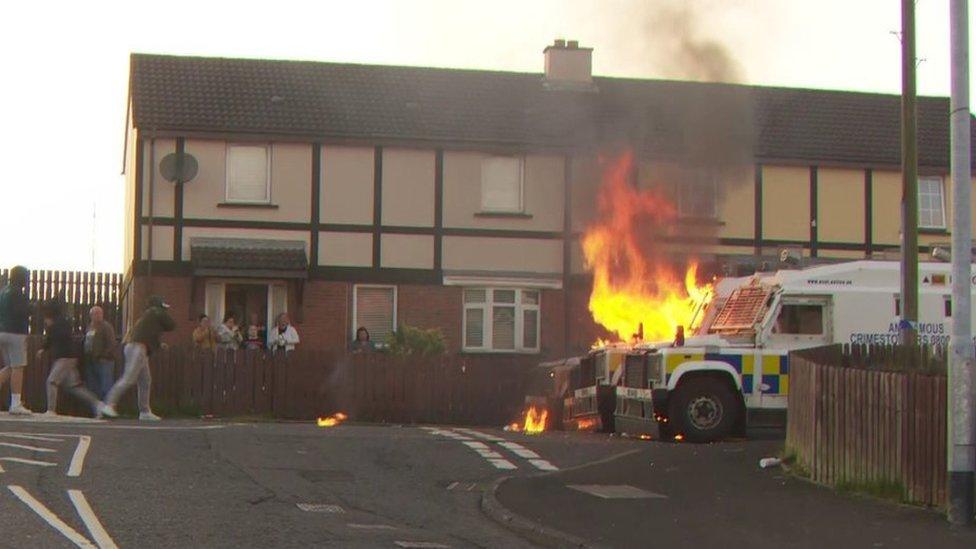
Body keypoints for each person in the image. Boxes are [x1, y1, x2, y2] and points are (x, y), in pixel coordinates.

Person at [102, 295, 174, 421]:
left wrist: (158, 345)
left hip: (135, 347)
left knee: (145, 380)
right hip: (138, 348)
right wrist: (163, 311)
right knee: (129, 378)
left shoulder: (147, 318)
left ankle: (144, 411)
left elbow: (149, 335)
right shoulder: (155, 312)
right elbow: (171, 325)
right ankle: (109, 403)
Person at [40, 300, 115, 418]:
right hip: (69, 357)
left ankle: (51, 410)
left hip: (64, 357)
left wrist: (50, 328)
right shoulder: (62, 321)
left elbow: (57, 336)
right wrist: (44, 347)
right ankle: (99, 404)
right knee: (73, 387)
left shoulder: (58, 323)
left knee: (52, 381)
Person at [0, 265, 33, 415]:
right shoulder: (18, 294)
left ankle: (15, 402)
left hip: (2, 330)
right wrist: (32, 307)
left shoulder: (4, 292)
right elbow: (22, 312)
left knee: (10, 368)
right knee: (18, 367)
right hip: (16, 333)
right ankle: (15, 403)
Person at [84, 306, 116, 400]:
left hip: (104, 360)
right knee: (93, 386)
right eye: (96, 313)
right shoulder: (89, 327)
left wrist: (103, 355)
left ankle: (108, 407)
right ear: (91, 315)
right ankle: (97, 408)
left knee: (106, 386)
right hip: (91, 359)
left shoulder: (106, 327)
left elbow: (111, 343)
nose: (98, 316)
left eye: (100, 313)